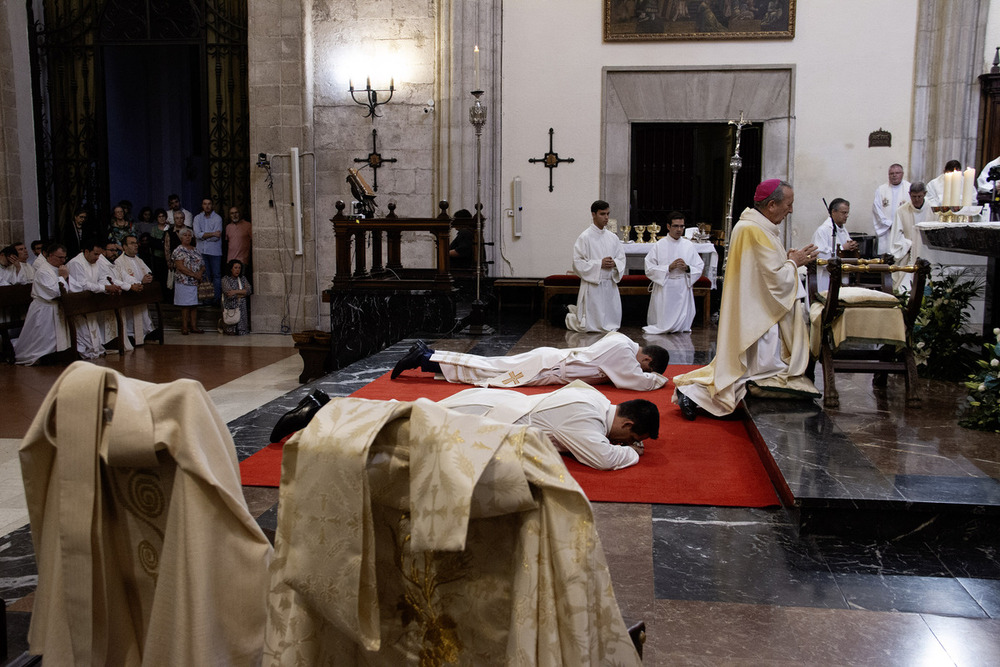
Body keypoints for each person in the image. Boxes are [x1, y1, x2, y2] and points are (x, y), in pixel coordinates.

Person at [673, 179, 820, 420]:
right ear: (771, 205)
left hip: (759, 310)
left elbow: (765, 270)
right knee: (753, 370)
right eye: (788, 204)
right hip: (758, 317)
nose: (791, 210)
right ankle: (692, 393)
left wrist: (789, 259)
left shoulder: (760, 227)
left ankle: (695, 392)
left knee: (756, 371)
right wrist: (795, 262)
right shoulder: (752, 229)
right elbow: (772, 279)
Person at [438, 383, 660, 471]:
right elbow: (603, 459)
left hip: (501, 400)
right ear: (627, 423)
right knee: (413, 416)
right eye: (630, 438)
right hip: (487, 418)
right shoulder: (586, 420)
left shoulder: (596, 397)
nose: (625, 442)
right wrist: (631, 452)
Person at [391, 331, 669, 390]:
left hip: (550, 360)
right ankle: (426, 357)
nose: (641, 368)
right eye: (646, 366)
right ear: (646, 358)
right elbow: (638, 382)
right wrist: (663, 379)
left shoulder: (622, 339)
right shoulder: (625, 355)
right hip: (549, 368)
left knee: (490, 368)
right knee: (488, 373)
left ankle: (427, 357)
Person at [565, 200, 625, 333]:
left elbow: (621, 258)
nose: (606, 218)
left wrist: (615, 263)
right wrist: (599, 264)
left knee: (611, 324)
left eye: (608, 214)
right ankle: (570, 317)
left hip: (609, 282)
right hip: (593, 284)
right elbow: (577, 263)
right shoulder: (585, 237)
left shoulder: (612, 237)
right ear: (593, 214)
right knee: (589, 325)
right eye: (602, 214)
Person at [643, 212, 706, 334]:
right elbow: (649, 268)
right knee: (664, 319)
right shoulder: (659, 245)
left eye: (682, 226)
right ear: (668, 226)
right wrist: (668, 268)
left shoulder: (688, 245)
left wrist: (687, 268)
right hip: (665, 286)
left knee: (682, 326)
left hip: (682, 285)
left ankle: (681, 325)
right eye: (676, 226)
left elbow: (699, 266)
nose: (679, 229)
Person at [13, 244, 72, 365]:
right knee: (41, 338)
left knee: (55, 338)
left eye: (64, 258)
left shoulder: (59, 268)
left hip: (55, 307)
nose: (63, 260)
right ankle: (37, 356)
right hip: (44, 308)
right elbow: (55, 291)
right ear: (50, 256)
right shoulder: (43, 271)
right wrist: (62, 278)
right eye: (60, 257)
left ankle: (53, 356)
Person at [67, 239, 122, 359]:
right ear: (86, 251)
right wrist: (105, 287)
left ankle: (94, 349)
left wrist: (106, 287)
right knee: (84, 334)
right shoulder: (76, 263)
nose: (98, 258)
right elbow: (83, 285)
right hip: (78, 303)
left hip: (90, 301)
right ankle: (83, 353)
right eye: (95, 254)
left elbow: (102, 277)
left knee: (92, 331)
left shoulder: (96, 262)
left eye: (100, 254)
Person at [114, 234, 156, 345]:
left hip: (141, 295)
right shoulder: (119, 262)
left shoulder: (139, 260)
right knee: (131, 318)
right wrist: (141, 281)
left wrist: (148, 277)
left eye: (136, 243)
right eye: (132, 243)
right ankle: (131, 336)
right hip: (129, 296)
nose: (136, 245)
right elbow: (122, 279)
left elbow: (148, 272)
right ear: (124, 247)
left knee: (142, 314)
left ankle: (144, 334)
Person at [887, 182, 929, 292]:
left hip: (928, 254)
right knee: (904, 289)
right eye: (913, 196)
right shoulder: (901, 211)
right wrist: (908, 243)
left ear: (925, 194)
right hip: (908, 254)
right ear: (909, 194)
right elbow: (896, 237)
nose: (916, 199)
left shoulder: (932, 209)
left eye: (919, 196)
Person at [812, 198, 858, 292]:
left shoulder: (843, 230)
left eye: (847, 213)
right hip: (826, 277)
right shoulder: (823, 230)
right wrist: (842, 248)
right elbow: (820, 255)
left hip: (841, 275)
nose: (846, 216)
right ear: (833, 212)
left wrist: (852, 246)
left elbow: (847, 246)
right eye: (843, 213)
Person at [171, 227, 205, 335]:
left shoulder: (195, 250)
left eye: (189, 235)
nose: (187, 237)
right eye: (185, 235)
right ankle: (184, 327)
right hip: (183, 281)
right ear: (181, 237)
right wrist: (194, 275)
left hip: (195, 282)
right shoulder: (178, 250)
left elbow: (203, 265)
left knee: (194, 305)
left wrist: (199, 273)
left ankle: (194, 327)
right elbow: (180, 266)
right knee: (185, 305)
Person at [872, 164, 910, 254]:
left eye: (897, 173)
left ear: (902, 174)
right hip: (887, 230)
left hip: (903, 231)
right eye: (891, 173)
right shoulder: (881, 189)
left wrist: (899, 225)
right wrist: (889, 224)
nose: (894, 175)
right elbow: (876, 210)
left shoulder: (909, 188)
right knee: (886, 258)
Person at [193, 197, 223, 303]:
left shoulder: (217, 218)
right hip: (201, 251)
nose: (207, 206)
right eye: (205, 204)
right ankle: (206, 298)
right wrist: (212, 233)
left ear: (212, 205)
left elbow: (217, 237)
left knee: (216, 275)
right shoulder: (197, 218)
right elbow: (197, 234)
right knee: (205, 275)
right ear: (202, 205)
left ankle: (216, 298)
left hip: (214, 252)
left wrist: (204, 235)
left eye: (209, 204)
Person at [221, 258, 252, 335]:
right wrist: (242, 292)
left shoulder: (243, 279)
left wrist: (235, 291)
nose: (237, 270)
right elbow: (229, 293)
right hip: (230, 306)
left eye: (239, 268)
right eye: (235, 268)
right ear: (231, 269)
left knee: (242, 331)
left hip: (241, 307)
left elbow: (248, 291)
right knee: (231, 331)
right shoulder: (225, 279)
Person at [225, 205, 253, 273]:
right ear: (229, 215)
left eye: (236, 212)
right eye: (232, 213)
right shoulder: (228, 227)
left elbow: (253, 241)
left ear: (240, 213)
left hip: (242, 260)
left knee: (241, 281)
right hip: (231, 260)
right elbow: (227, 242)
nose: (234, 215)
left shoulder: (248, 225)